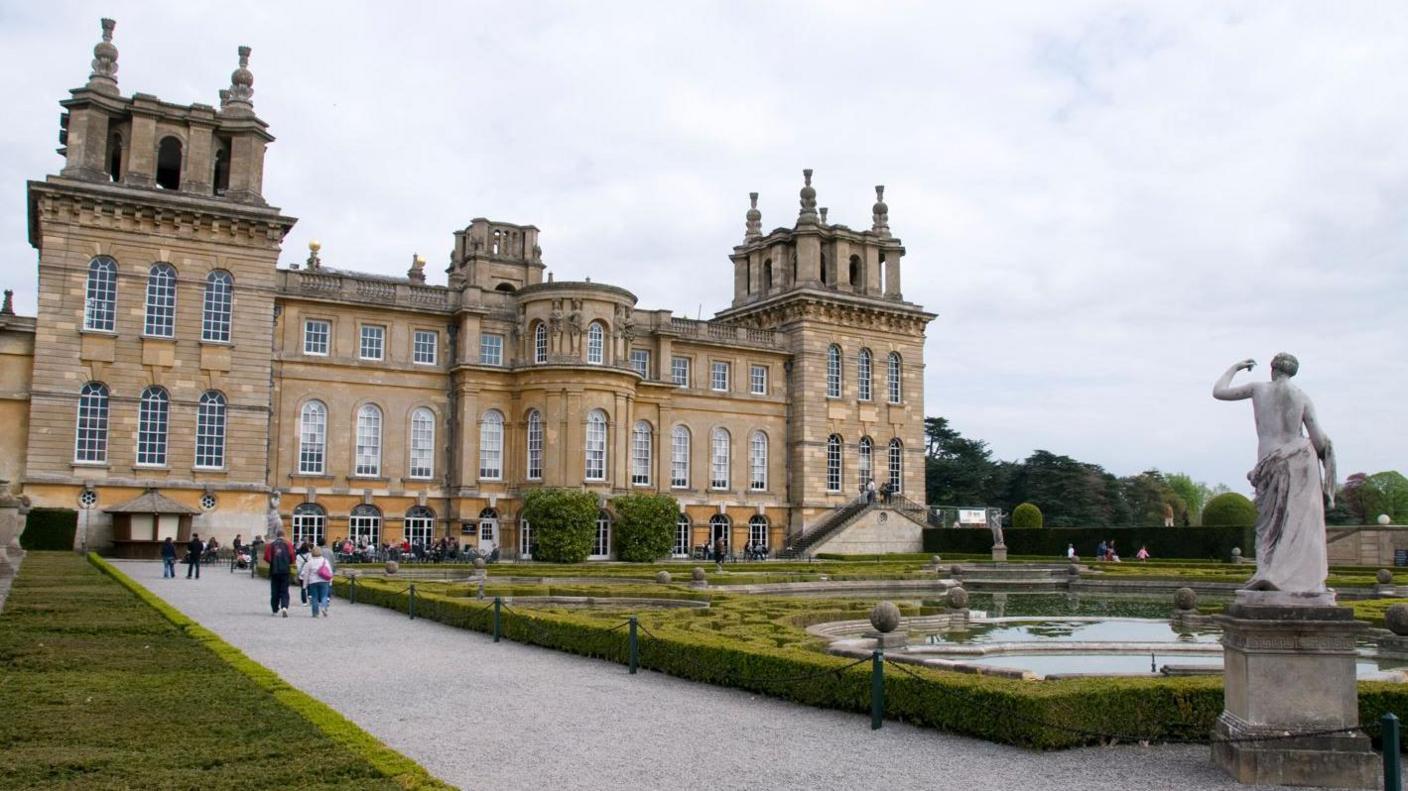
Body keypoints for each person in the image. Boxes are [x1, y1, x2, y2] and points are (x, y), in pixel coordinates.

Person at [1214, 353, 1335, 593]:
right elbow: (1319, 440)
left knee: (1269, 525)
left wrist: (1235, 367)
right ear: (1293, 372)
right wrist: (1330, 460)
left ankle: (1268, 572)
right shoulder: (1302, 397)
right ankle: (1295, 579)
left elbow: (1219, 391)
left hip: (1269, 462)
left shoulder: (1259, 389)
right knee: (1297, 523)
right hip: (1298, 460)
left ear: (1272, 369)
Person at [264, 529, 296, 617]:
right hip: (285, 570)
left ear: (276, 535)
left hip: (274, 570)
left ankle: (274, 609)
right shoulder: (288, 544)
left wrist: (272, 562)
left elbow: (267, 557)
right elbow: (292, 556)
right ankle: (284, 607)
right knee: (284, 590)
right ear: (284, 535)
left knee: (274, 590)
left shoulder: (271, 545)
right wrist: (289, 562)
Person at [298, 544, 333, 617]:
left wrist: (304, 586)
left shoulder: (309, 562)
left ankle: (315, 613)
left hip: (313, 582)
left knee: (314, 597)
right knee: (324, 596)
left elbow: (306, 574)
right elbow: (330, 571)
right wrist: (330, 581)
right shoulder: (325, 560)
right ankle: (323, 607)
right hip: (324, 581)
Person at [295, 541, 311, 606]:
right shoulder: (310, 555)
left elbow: (298, 566)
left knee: (303, 588)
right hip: (309, 573)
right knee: (310, 586)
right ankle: (310, 596)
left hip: (302, 573)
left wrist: (298, 573)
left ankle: (304, 602)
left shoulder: (298, 556)